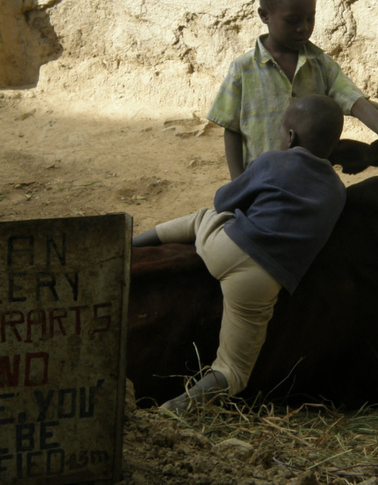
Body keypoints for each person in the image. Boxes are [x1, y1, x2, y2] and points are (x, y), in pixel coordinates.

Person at [133, 95, 348, 411]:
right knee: (232, 371)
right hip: (260, 279)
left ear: (289, 137)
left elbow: (224, 201)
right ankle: (168, 414)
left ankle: (130, 245)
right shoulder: (337, 190)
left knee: (202, 217)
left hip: (225, 246)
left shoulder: (274, 160)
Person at [207, 0, 378, 180]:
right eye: (292, 21)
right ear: (264, 16)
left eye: (310, 18)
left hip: (310, 185)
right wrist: (239, 185)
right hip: (259, 187)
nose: (303, 27)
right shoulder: (242, 70)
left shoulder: (321, 66)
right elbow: (232, 130)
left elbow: (356, 103)